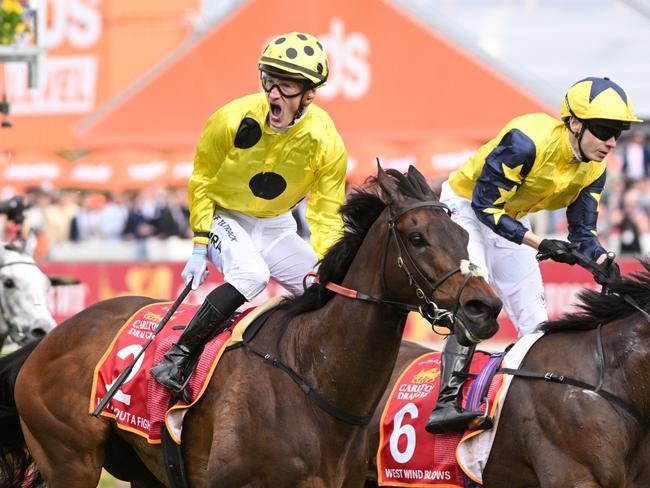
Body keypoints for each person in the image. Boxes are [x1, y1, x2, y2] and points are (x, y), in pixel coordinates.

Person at [425, 76, 643, 434]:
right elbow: (484, 206)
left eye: (616, 132)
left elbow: (582, 233)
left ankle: (532, 409)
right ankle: (445, 404)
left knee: (535, 322)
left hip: (509, 217)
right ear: (574, 122)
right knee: (476, 303)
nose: (611, 142)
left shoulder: (595, 168)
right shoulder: (525, 142)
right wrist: (539, 243)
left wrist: (600, 260)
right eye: (604, 130)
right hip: (464, 207)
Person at [150, 32, 347, 393]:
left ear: (309, 94)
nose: (273, 94)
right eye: (270, 80)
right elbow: (202, 179)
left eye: (286, 86)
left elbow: (326, 210)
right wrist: (199, 243)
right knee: (251, 275)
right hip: (226, 217)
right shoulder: (230, 119)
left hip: (277, 226)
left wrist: (329, 258)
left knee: (327, 287)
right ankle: (177, 357)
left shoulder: (326, 139)